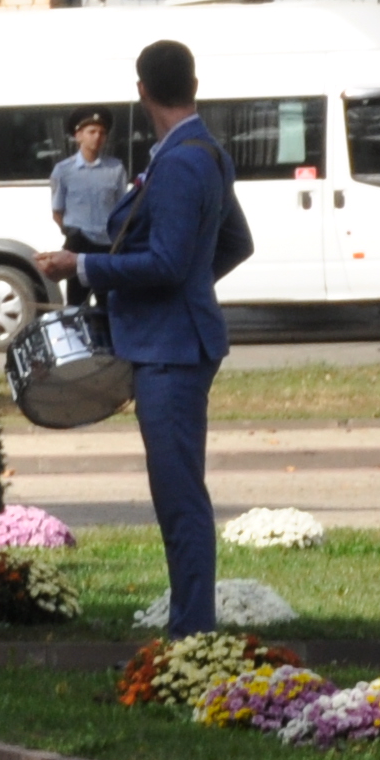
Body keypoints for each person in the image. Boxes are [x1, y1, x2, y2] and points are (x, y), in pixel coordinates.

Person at [43, 38, 247, 636]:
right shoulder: (202, 151)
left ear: (141, 92)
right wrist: (188, 287)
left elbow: (164, 263)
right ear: (193, 85)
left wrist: (79, 267)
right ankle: (190, 628)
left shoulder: (182, 161)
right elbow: (235, 244)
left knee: (180, 499)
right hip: (176, 341)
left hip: (172, 352)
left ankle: (191, 636)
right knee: (177, 493)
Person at [48, 107, 128, 252]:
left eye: (102, 133)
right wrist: (71, 234)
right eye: (92, 132)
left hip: (108, 244)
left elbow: (122, 209)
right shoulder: (63, 170)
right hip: (78, 243)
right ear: (79, 136)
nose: (97, 137)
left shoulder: (116, 168)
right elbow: (57, 211)